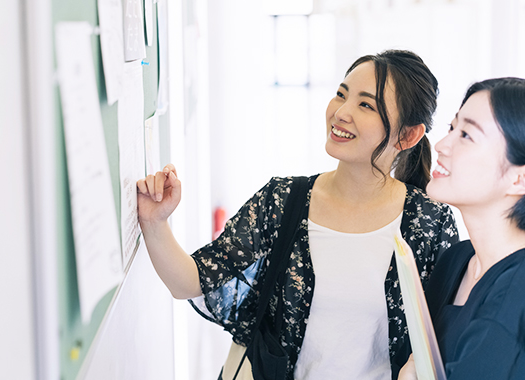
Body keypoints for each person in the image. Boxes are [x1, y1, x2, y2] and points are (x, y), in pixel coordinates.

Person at [137, 50, 459, 380]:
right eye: (341, 94)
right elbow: (189, 281)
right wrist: (154, 221)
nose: (341, 113)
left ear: (408, 135)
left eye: (366, 105)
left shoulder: (429, 223)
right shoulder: (282, 200)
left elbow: (446, 340)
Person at [398, 77, 525, 380]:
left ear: (521, 179)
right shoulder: (456, 260)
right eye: (451, 128)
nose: (442, 145)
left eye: (467, 135)